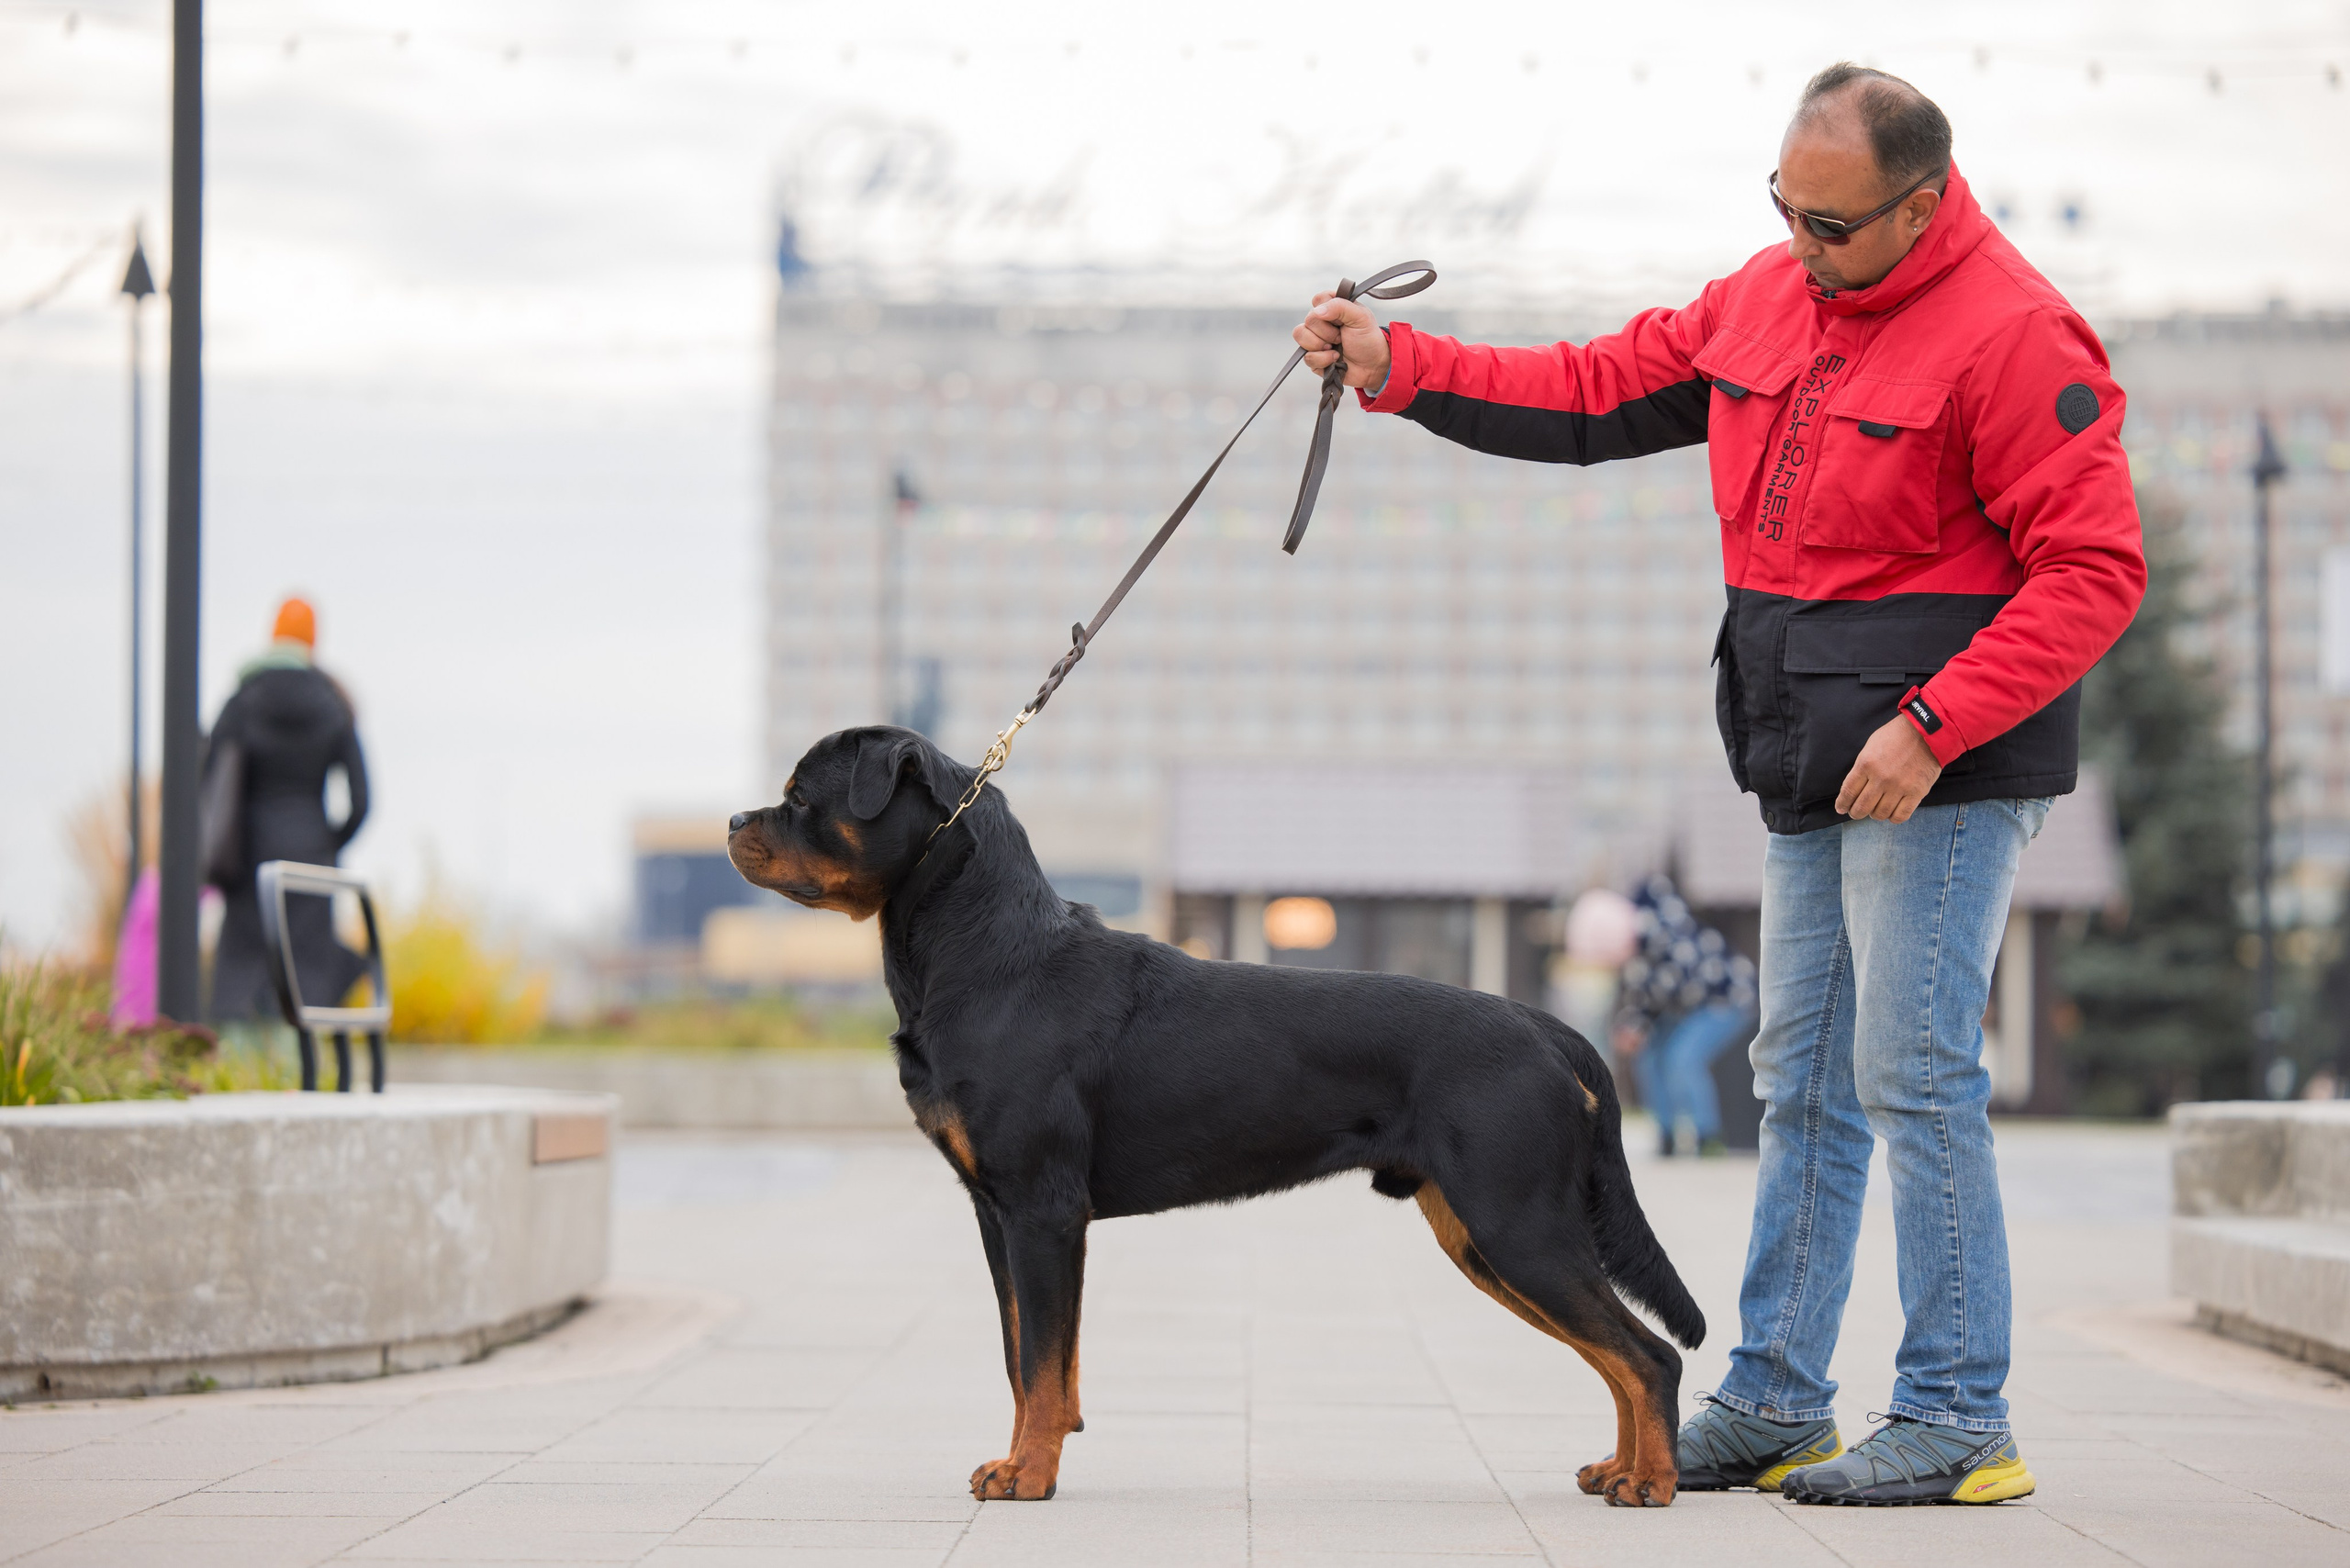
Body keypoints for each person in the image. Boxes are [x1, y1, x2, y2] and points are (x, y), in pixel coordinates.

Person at [1294, 64, 2144, 1506]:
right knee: (1797, 1078)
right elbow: (1589, 390)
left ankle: (1956, 1414)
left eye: (1833, 224)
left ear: (1922, 204)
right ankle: (1775, 1401)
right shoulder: (1764, 297)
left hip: (1943, 758)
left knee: (1915, 1077)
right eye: (1786, 209)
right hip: (1807, 742)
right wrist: (1404, 365)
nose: (1801, 246)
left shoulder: (2013, 333)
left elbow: (2096, 571)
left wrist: (1936, 722)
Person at [204, 597, 372, 1022]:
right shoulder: (334, 705)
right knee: (307, 977)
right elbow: (362, 800)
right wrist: (328, 840)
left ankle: (241, 1076)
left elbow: (208, 777)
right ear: (314, 642)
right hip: (311, 857)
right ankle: (302, 1074)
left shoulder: (242, 701)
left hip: (250, 857)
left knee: (243, 974)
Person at [1613, 876, 1756, 1159]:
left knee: (1684, 1058)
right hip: (1687, 1005)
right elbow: (1651, 990)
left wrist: (1637, 1022)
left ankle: (1708, 1136)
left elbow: (1669, 986)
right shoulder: (1643, 944)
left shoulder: (1672, 934)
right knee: (1650, 1056)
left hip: (1726, 999)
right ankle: (1667, 1135)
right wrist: (1634, 1024)